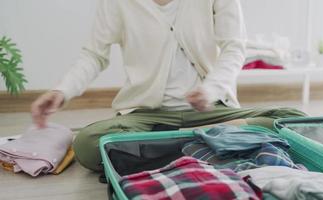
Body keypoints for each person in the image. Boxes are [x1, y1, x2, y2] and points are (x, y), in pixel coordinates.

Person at [31, 0, 306, 172]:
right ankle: (214, 141)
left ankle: (165, 146)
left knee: (296, 123)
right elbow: (94, 54)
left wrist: (210, 89)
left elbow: (234, 48)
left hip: (212, 110)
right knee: (87, 145)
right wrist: (61, 90)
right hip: (148, 116)